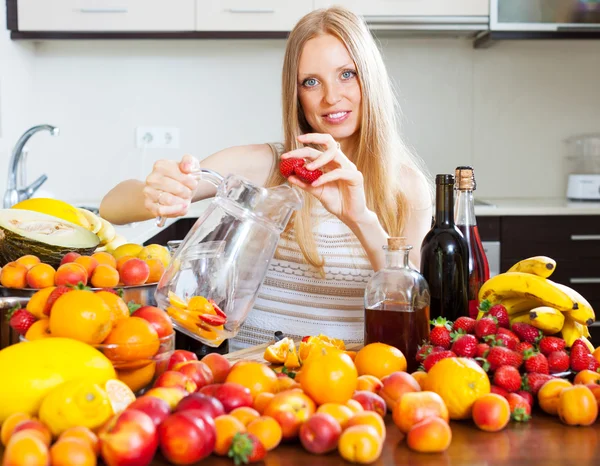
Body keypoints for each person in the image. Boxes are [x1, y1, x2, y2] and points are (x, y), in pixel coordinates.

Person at [100, 6, 433, 351]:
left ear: (370, 78)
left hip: (347, 388)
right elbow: (111, 208)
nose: (332, 97)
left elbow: (408, 304)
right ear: (296, 93)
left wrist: (359, 218)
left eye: (347, 74)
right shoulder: (269, 167)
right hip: (253, 386)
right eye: (311, 82)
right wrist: (153, 193)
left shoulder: (406, 187)